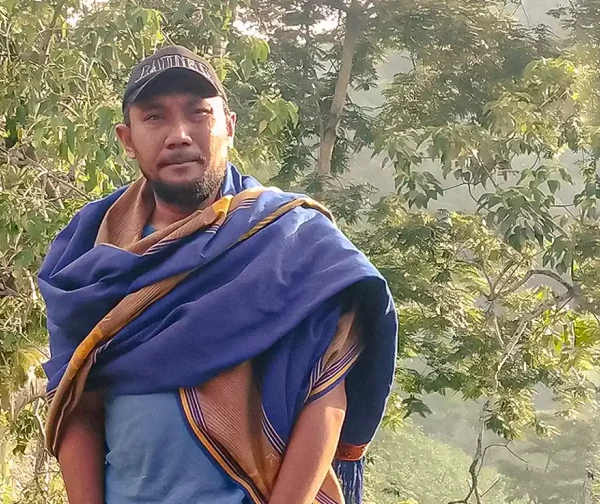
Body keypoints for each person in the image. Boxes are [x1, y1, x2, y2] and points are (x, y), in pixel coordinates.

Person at [39, 45, 398, 504]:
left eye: (198, 113)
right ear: (127, 139)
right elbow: (78, 405)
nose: (179, 135)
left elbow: (325, 392)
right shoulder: (91, 249)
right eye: (155, 117)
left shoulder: (293, 242)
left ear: (228, 125)